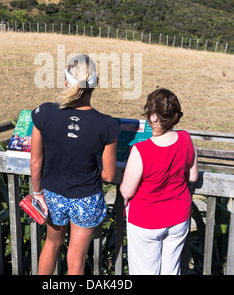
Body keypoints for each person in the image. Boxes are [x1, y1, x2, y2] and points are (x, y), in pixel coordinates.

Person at [30, 54, 119, 275]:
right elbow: (108, 175)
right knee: (76, 260)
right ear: (95, 84)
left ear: (65, 81)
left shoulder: (45, 112)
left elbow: (35, 160)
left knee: (51, 245)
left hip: (52, 194)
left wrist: (38, 192)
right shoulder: (107, 124)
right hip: (86, 197)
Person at [120, 88, 198, 275]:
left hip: (146, 220)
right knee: (171, 270)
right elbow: (193, 176)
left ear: (153, 117)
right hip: (179, 217)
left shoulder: (141, 150)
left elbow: (126, 191)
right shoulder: (186, 138)